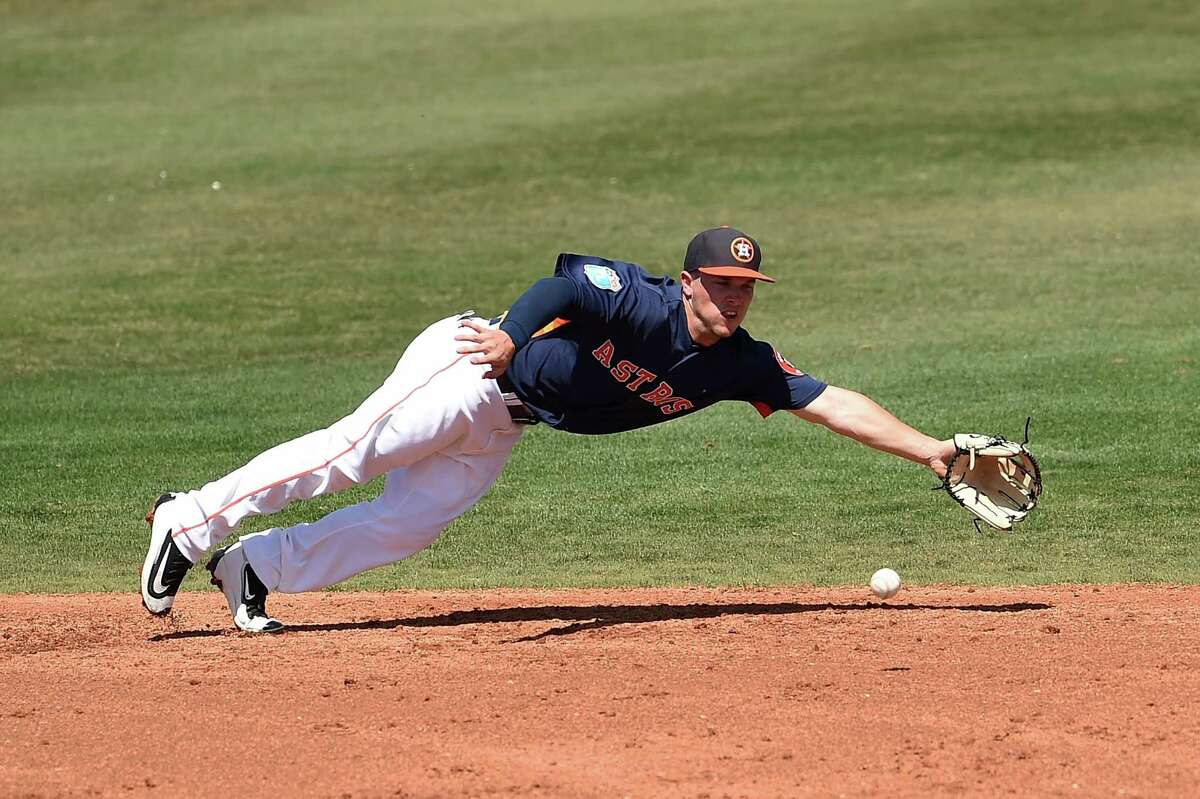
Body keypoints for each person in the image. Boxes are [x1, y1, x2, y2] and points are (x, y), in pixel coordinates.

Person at [140, 227, 957, 632]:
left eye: (746, 285)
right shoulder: (636, 299)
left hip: (504, 425)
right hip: (470, 366)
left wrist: (933, 452)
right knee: (351, 453)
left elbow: (832, 401)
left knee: (404, 525)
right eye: (721, 282)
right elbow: (552, 286)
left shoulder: (740, 363)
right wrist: (509, 336)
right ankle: (191, 520)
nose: (735, 296)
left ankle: (254, 566)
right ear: (689, 281)